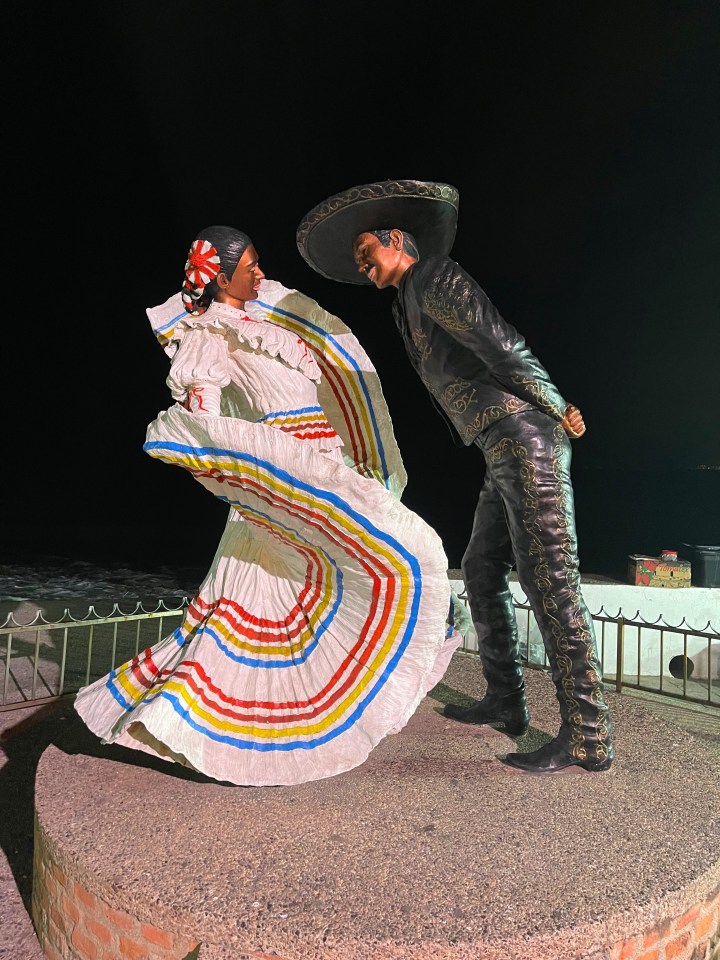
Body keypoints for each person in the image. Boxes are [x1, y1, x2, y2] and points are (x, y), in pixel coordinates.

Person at [74, 224, 462, 787]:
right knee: (387, 563)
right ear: (220, 276)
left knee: (302, 598)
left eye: (258, 262)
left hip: (323, 471)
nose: (259, 272)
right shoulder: (208, 336)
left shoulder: (273, 323)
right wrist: (247, 464)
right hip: (284, 480)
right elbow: (206, 422)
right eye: (248, 266)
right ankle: (197, 724)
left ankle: (205, 723)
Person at [296, 180, 614, 775]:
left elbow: (503, 345)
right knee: (480, 568)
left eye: (367, 251)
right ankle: (506, 699)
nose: (362, 265)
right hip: (499, 443)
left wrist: (557, 405)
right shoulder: (406, 301)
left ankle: (588, 735)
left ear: (397, 239)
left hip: (525, 435)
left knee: (551, 578)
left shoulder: (434, 276)